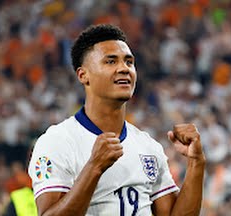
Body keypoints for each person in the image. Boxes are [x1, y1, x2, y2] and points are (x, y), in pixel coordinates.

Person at [28, 24, 206, 216]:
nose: (124, 68)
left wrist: (196, 163)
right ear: (83, 75)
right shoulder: (57, 141)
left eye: (129, 62)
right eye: (111, 62)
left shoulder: (148, 146)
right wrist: (94, 167)